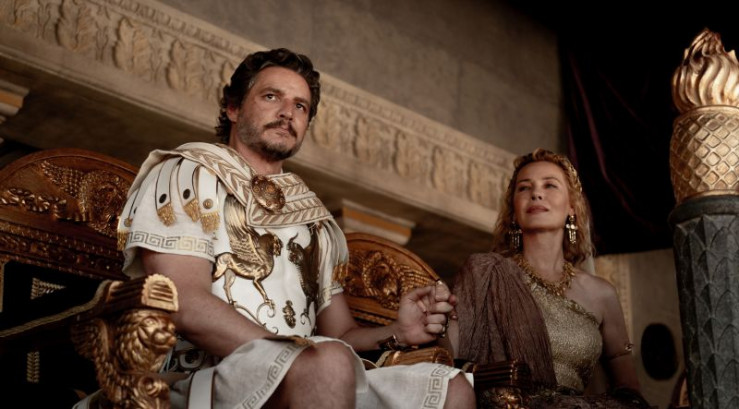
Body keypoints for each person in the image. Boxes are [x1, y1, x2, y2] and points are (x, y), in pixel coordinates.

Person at [111, 48, 475, 409]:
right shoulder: (188, 172)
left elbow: (339, 334)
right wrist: (295, 357)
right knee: (327, 363)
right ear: (233, 108)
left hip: (309, 368)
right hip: (204, 378)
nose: (287, 112)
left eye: (300, 106)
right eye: (271, 97)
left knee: (451, 387)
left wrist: (398, 332)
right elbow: (182, 299)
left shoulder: (316, 220)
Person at [447, 149, 650, 408]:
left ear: (571, 207)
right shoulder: (485, 275)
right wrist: (436, 321)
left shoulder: (602, 294)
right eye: (524, 188)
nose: (536, 194)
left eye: (550, 185)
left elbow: (629, 391)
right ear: (513, 212)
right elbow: (448, 360)